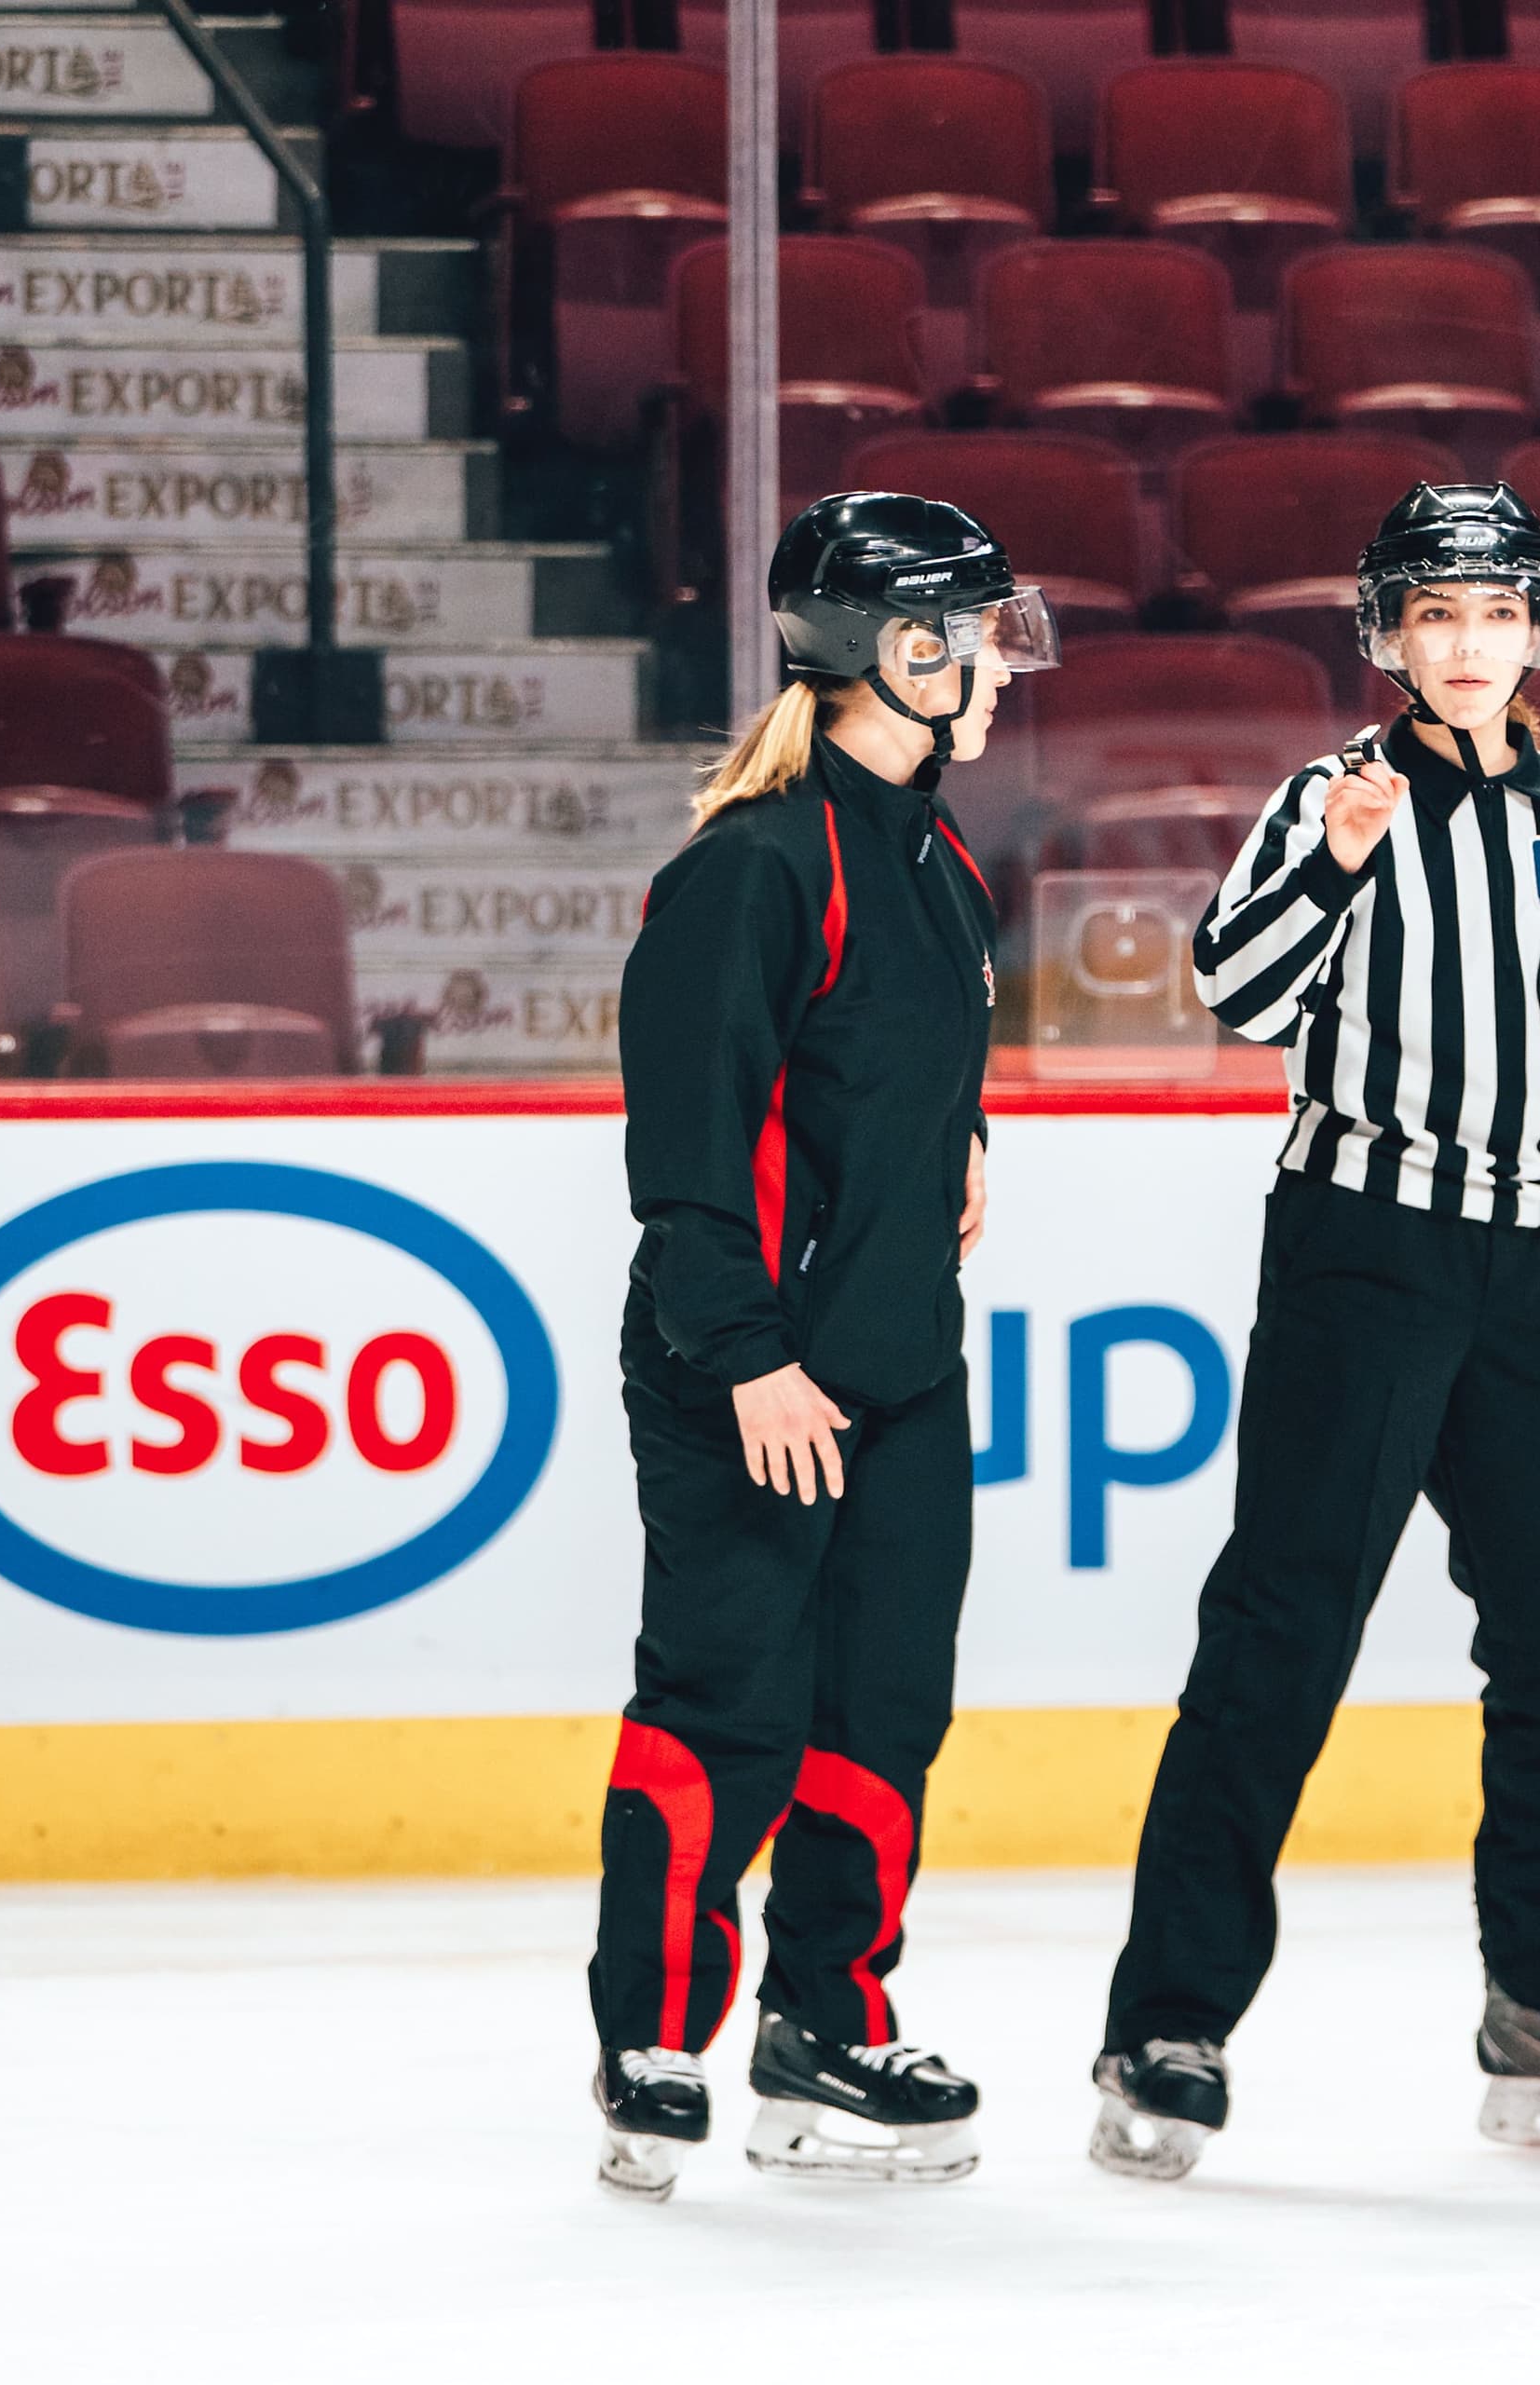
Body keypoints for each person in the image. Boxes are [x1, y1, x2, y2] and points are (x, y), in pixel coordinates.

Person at [1087, 483, 1540, 2183]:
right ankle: (1168, 2020)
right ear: (1388, 634)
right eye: (1437, 613)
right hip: (1362, 1251)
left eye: (1497, 612)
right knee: (1283, 1635)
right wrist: (1338, 865)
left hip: (1524, 1272)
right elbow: (1233, 993)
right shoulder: (1331, 798)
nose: (1468, 642)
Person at [586, 492, 1056, 2200]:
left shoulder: (937, 857)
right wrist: (746, 1361)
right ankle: (653, 2041)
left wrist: (959, 1138)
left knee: (883, 1709)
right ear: (902, 653)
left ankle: (826, 2025)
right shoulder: (754, 865)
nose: (1000, 665)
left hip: (899, 1370)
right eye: (978, 635)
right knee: (730, 1703)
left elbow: (882, 1066)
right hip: (752, 1376)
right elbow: (689, 1153)